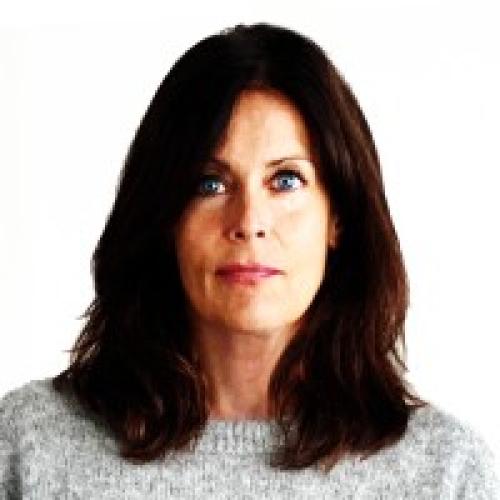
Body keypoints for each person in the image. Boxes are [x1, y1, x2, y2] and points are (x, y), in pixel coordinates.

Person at [1, 22, 498, 499]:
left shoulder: (445, 474)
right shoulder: (30, 448)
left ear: (338, 217)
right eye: (210, 184)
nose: (249, 221)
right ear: (165, 217)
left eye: (285, 180)